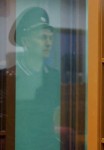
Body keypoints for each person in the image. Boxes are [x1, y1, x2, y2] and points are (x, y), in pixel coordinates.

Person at [9, 7, 60, 150]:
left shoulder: (54, 77)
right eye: (43, 37)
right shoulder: (9, 77)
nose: (49, 43)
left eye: (50, 38)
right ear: (26, 41)